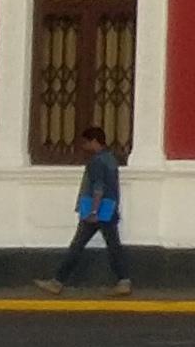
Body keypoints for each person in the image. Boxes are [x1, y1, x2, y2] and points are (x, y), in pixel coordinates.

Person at [34, 125, 131, 296]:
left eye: (86, 143)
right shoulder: (111, 159)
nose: (84, 147)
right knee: (114, 247)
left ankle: (57, 282)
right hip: (109, 209)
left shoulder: (96, 161)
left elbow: (98, 188)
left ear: (94, 141)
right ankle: (123, 281)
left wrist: (93, 211)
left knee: (77, 246)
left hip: (95, 211)